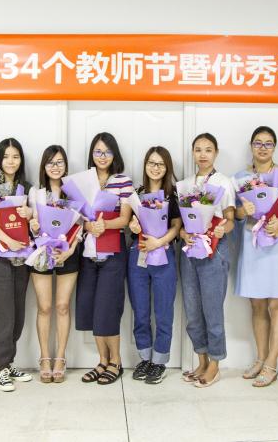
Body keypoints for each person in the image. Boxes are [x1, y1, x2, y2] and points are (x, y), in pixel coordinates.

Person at [234, 126, 278, 388]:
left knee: (277, 304)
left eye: (268, 143)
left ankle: (272, 364)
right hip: (253, 244)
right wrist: (243, 212)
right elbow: (235, 213)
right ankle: (260, 358)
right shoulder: (241, 178)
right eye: (258, 143)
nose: (263, 148)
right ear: (251, 146)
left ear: (274, 147)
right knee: (257, 304)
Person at [179, 132, 235, 388]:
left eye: (208, 150)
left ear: (216, 153)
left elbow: (230, 219)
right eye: (198, 149)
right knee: (192, 310)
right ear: (193, 153)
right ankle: (201, 360)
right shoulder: (185, 184)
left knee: (212, 310)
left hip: (214, 249)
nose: (203, 154)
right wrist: (183, 234)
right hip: (190, 250)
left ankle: (215, 364)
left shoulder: (224, 182)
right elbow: (182, 222)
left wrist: (223, 229)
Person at [77, 132, 134, 386]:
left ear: (114, 155)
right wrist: (88, 226)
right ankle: (102, 361)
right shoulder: (84, 181)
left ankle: (116, 362)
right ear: (92, 154)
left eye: (107, 152)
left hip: (113, 250)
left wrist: (103, 225)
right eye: (98, 152)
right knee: (91, 306)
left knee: (108, 307)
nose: (102, 156)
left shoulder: (122, 181)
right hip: (88, 251)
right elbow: (76, 216)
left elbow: (125, 219)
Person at [0, 138, 33, 392]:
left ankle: (9, 363)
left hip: (22, 255)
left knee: (18, 314)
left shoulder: (27, 187)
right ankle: (1, 368)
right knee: (3, 315)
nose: (11, 161)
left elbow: (36, 219)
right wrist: (6, 239)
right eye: (6, 156)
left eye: (16, 156)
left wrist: (30, 214)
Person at [127, 146, 181, 385]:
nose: (155, 167)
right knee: (140, 311)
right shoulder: (136, 193)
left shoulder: (173, 195)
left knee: (163, 311)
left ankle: (159, 361)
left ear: (167, 167)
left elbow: (177, 226)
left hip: (164, 255)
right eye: (151, 162)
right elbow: (131, 221)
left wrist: (159, 242)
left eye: (160, 163)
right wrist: (133, 226)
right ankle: (145, 357)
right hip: (138, 255)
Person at [28, 145, 81, 383]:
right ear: (44, 166)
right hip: (41, 253)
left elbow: (80, 225)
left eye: (59, 162)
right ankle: (44, 357)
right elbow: (32, 223)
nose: (55, 167)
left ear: (66, 166)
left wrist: (69, 251)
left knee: (62, 306)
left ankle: (60, 357)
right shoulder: (36, 193)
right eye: (50, 162)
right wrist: (34, 226)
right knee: (44, 307)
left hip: (67, 254)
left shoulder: (73, 193)